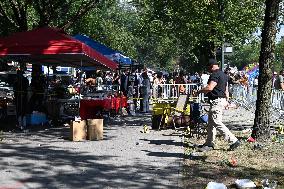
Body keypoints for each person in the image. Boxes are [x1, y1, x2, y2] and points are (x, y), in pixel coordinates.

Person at [196, 59, 241, 152]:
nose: (208, 70)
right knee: (211, 124)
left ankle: (233, 141)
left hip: (216, 102)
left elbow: (210, 87)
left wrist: (199, 91)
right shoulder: (224, 75)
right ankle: (209, 144)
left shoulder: (215, 74)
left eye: (208, 68)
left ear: (211, 66)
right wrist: (226, 101)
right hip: (220, 100)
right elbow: (226, 90)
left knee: (217, 122)